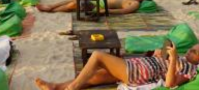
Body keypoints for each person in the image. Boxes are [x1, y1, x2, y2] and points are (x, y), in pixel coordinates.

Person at [35, 43, 199, 89]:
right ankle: (56, 87)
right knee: (94, 76)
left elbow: (170, 83)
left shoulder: (190, 71)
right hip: (137, 66)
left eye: (194, 52)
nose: (189, 52)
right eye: (191, 49)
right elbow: (160, 56)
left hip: (139, 72)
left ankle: (72, 87)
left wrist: (173, 60)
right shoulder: (182, 60)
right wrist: (160, 52)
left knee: (98, 56)